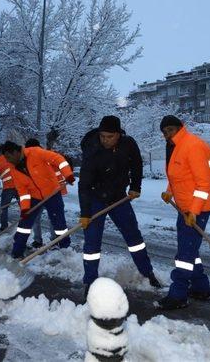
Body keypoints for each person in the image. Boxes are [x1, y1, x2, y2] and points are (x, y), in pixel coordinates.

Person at [78, 115, 161, 297]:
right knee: (92, 244)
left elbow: (137, 164)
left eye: (109, 137)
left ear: (118, 134)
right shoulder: (92, 150)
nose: (105, 140)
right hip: (95, 198)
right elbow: (83, 184)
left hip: (118, 198)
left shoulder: (128, 144)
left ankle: (148, 273)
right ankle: (89, 282)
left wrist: (135, 186)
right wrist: (85, 213)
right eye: (102, 136)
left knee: (134, 237)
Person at [157, 115, 210, 310]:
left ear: (180, 128)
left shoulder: (192, 145)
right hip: (185, 207)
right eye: (164, 132)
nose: (167, 135)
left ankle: (178, 294)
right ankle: (200, 287)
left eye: (170, 130)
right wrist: (169, 191)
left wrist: (194, 211)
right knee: (191, 250)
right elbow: (179, 176)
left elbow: (203, 183)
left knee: (184, 253)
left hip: (196, 208)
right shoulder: (176, 146)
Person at [0, 141, 75, 259]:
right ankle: (17, 252)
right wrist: (25, 208)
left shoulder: (35, 152)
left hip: (52, 193)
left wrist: (67, 174)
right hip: (34, 197)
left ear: (15, 152)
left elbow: (58, 159)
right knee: (24, 225)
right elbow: (22, 190)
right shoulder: (13, 168)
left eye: (8, 157)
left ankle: (65, 250)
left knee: (59, 223)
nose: (7, 160)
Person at [0, 152, 18, 232]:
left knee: (3, 208)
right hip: (20, 184)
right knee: (24, 207)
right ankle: (27, 224)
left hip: (9, 187)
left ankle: (4, 227)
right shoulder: (6, 157)